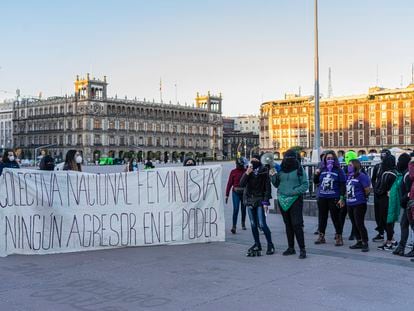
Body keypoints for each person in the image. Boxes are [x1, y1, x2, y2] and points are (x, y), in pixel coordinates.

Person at [271, 149, 308, 259]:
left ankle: (302, 249)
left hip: (295, 199)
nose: (288, 160)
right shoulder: (281, 170)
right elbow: (276, 184)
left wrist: (293, 192)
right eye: (286, 157)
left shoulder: (299, 169)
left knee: (297, 224)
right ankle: (291, 248)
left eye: (291, 157)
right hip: (282, 199)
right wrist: (273, 176)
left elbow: (305, 185)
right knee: (288, 225)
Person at [240, 154, 274, 256]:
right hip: (250, 200)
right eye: (252, 160)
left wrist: (265, 202)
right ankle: (257, 243)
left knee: (262, 224)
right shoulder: (248, 170)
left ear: (259, 161)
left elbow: (267, 188)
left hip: (260, 200)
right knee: (253, 224)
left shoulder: (264, 171)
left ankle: (270, 244)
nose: (253, 161)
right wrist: (247, 173)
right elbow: (241, 184)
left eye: (256, 160)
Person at [313, 150, 346, 246]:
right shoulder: (322, 169)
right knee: (322, 218)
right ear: (325, 159)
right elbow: (315, 182)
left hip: (334, 197)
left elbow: (342, 184)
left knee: (336, 218)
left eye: (331, 158)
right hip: (322, 197)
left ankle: (339, 236)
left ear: (335, 159)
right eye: (328, 158)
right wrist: (316, 174)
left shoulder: (339, 170)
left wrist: (342, 197)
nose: (330, 160)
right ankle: (321, 236)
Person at [346, 159, 372, 252]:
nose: (348, 167)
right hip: (350, 203)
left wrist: (364, 196)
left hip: (359, 203)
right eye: (348, 165)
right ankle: (359, 241)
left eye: (350, 165)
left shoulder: (362, 176)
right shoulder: (349, 176)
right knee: (354, 223)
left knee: (359, 223)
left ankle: (365, 242)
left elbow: (367, 189)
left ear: (356, 166)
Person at [375, 154, 398, 251]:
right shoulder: (396, 172)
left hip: (384, 200)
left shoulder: (386, 173)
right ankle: (391, 239)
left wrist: (376, 190)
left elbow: (380, 189)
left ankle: (389, 242)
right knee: (391, 221)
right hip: (393, 199)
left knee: (386, 221)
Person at [392, 153, 411, 256]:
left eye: (399, 161)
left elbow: (409, 191)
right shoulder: (405, 173)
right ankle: (401, 247)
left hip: (409, 204)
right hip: (407, 203)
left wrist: (404, 200)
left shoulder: (407, 174)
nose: (397, 163)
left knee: (408, 225)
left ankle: (403, 247)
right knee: (404, 224)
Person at [371, 149, 392, 242]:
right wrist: (375, 188)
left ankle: (390, 235)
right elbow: (373, 178)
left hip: (386, 195)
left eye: (385, 155)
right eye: (382, 155)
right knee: (378, 214)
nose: (383, 157)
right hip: (377, 193)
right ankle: (380, 232)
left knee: (386, 215)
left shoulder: (391, 168)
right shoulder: (377, 166)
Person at [225, 158, 247, 234]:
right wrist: (227, 195)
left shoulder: (246, 171)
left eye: (241, 165)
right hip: (235, 192)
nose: (240, 166)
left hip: (244, 192)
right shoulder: (233, 172)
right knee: (236, 209)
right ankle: (234, 226)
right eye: (239, 165)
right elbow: (229, 183)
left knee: (243, 208)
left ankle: (243, 223)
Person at [341, 151, 358, 241]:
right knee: (342, 214)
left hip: (354, 196)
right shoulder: (345, 168)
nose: (346, 159)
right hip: (346, 195)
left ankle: (354, 232)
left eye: (347, 157)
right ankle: (339, 232)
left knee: (353, 216)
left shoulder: (359, 170)